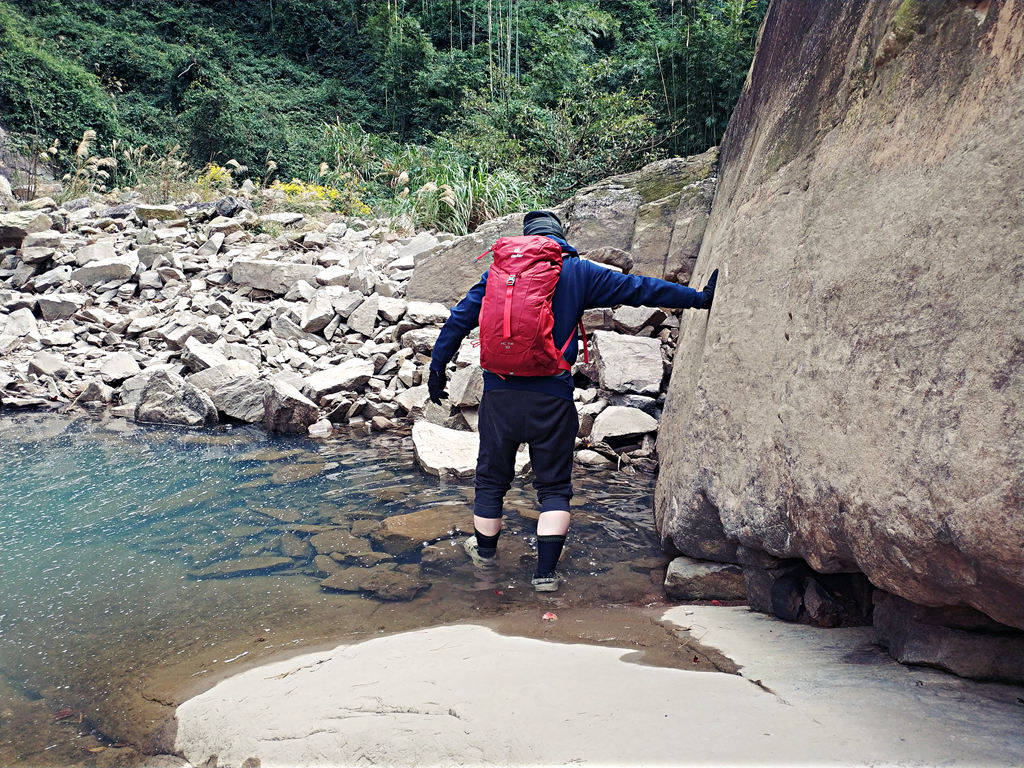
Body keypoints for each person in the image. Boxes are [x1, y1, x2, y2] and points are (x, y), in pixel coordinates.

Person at [428, 210, 717, 592]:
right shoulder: (578, 271)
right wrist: (698, 299)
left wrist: (436, 371)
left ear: (525, 238)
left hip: (499, 397)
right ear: (559, 238)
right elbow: (639, 288)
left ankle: (484, 562)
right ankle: (545, 577)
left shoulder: (498, 274)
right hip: (552, 397)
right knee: (553, 489)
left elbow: (458, 321)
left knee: (491, 481)